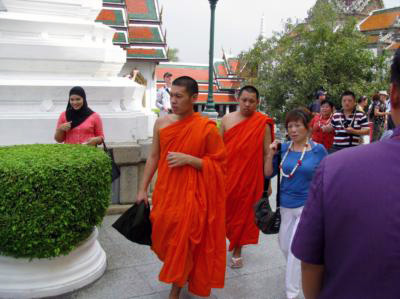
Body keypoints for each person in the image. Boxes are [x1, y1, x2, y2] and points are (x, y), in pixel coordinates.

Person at [291, 48, 400, 299]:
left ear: (392, 95)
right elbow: (326, 128)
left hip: (347, 156)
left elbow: (310, 263)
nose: (346, 104)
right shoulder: (335, 119)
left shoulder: (335, 169)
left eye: (350, 101)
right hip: (336, 151)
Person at [136, 76, 227, 299]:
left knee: (184, 239)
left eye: (179, 96)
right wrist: (141, 189)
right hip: (166, 192)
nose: (174, 101)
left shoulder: (206, 128)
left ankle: (175, 290)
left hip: (193, 195)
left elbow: (220, 165)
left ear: (194, 98)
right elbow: (154, 157)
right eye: (172, 95)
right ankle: (181, 270)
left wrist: (191, 160)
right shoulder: (162, 122)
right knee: (163, 238)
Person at [265, 109, 327, 299]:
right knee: (284, 246)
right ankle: (300, 272)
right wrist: (270, 154)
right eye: (290, 125)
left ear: (307, 127)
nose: (293, 129)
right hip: (285, 206)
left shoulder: (318, 150)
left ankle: (292, 293)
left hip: (307, 207)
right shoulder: (283, 148)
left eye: (297, 125)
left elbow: (325, 177)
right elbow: (268, 174)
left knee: (293, 250)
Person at [220, 85, 274, 268]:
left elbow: (267, 153)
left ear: (257, 102)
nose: (247, 104)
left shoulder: (263, 122)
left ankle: (237, 249)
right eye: (244, 100)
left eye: (252, 101)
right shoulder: (226, 120)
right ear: (238, 99)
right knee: (224, 212)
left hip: (251, 177)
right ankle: (224, 242)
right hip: (228, 175)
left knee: (244, 214)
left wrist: (268, 181)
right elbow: (217, 150)